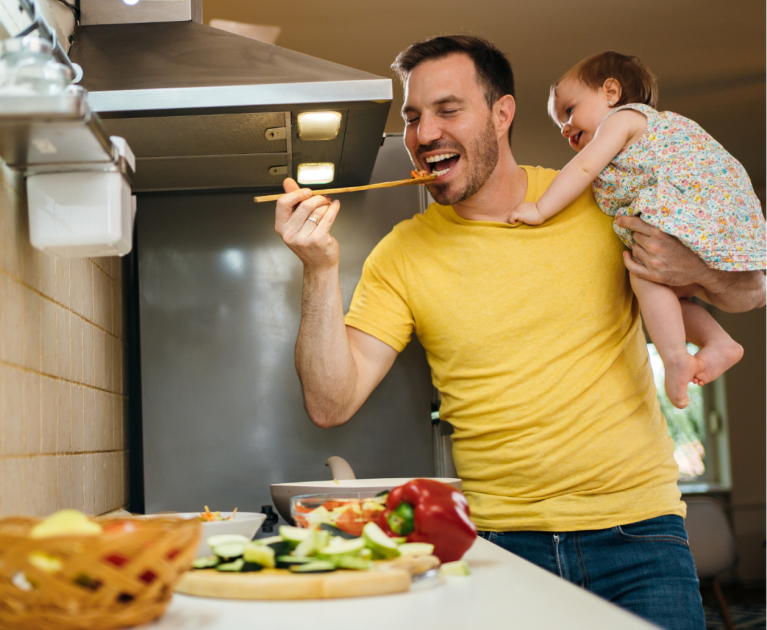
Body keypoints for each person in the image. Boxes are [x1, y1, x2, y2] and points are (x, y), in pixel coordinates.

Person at [274, 35, 765, 630]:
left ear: (502, 114)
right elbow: (330, 402)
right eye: (412, 117)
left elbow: (749, 292)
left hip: (640, 540)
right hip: (498, 547)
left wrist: (690, 269)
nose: (424, 132)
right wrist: (320, 270)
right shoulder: (400, 255)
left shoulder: (596, 201)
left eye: (447, 110)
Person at [509, 51, 765, 410]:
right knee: (671, 295)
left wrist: (539, 208)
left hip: (692, 202)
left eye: (568, 111)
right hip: (704, 216)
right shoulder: (632, 135)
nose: (565, 128)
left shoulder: (624, 119)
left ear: (611, 92)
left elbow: (582, 169)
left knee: (644, 275)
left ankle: (675, 356)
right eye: (559, 126)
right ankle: (720, 343)